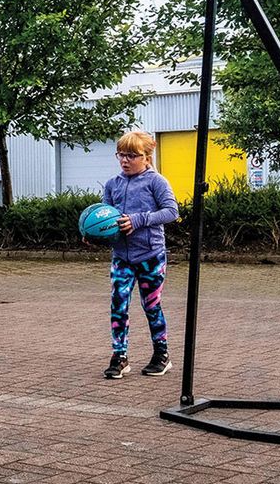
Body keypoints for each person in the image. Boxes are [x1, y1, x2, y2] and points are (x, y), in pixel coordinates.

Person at [101, 130, 179, 379]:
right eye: (121, 155)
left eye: (132, 155)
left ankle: (161, 354)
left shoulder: (156, 182)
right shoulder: (113, 184)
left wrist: (139, 220)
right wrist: (94, 233)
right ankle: (120, 356)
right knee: (118, 305)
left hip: (150, 255)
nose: (125, 160)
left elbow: (171, 212)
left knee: (151, 305)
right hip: (122, 257)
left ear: (146, 157)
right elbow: (104, 217)